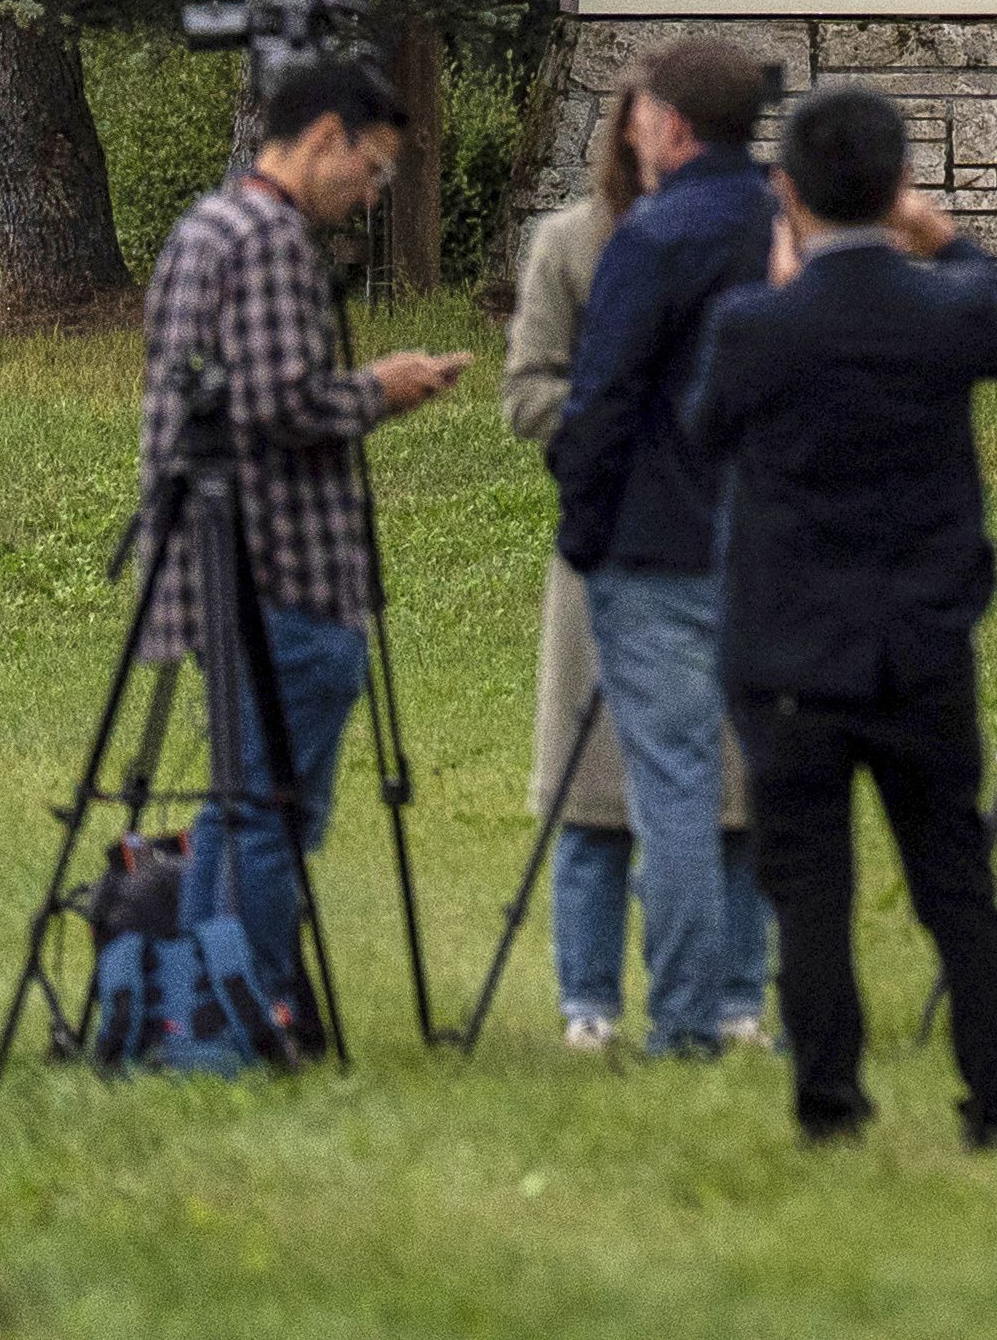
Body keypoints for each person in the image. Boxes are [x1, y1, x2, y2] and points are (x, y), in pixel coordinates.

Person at [683, 86, 997, 1147]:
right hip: (919, 638)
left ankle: (830, 1103)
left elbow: (702, 431)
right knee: (955, 886)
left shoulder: (757, 324)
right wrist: (956, 244)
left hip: (792, 643)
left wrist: (770, 288)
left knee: (810, 891)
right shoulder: (943, 307)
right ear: (898, 191)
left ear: (787, 193)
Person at [133, 56, 472, 1032]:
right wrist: (383, 388)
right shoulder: (275, 241)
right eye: (370, 168)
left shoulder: (205, 226)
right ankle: (250, 1012)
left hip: (212, 561)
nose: (370, 194)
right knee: (272, 816)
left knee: (234, 809)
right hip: (284, 568)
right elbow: (279, 402)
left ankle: (199, 1005)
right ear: (324, 135)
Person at [500, 76, 758, 1054]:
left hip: (719, 528)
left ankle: (736, 997)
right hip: (612, 531)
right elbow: (528, 390)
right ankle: (590, 1001)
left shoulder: (743, 232)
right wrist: (615, 421)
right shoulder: (572, 243)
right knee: (592, 790)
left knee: (734, 790)